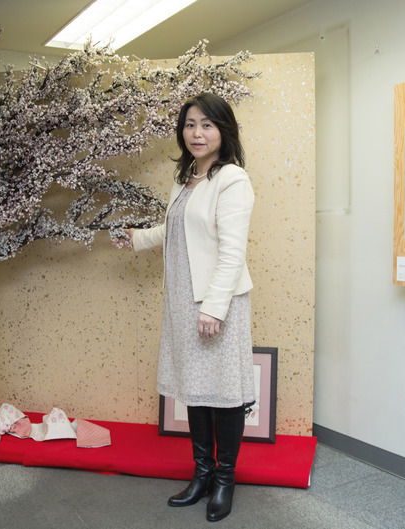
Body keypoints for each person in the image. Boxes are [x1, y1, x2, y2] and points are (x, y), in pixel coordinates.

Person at [114, 92, 255, 522]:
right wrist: (139, 237)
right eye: (190, 124)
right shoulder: (186, 176)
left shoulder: (233, 180)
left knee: (224, 392)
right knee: (197, 386)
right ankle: (202, 474)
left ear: (223, 130)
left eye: (207, 125)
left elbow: (232, 251)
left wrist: (213, 308)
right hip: (181, 295)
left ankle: (225, 480)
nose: (197, 133)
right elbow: (179, 227)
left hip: (216, 300)